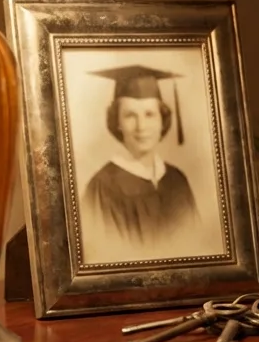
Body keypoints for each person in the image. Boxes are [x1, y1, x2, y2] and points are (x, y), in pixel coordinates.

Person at [82, 65, 199, 253]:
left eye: (150, 114)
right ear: (117, 123)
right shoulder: (102, 188)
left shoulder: (177, 180)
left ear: (162, 119)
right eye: (130, 116)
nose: (141, 126)